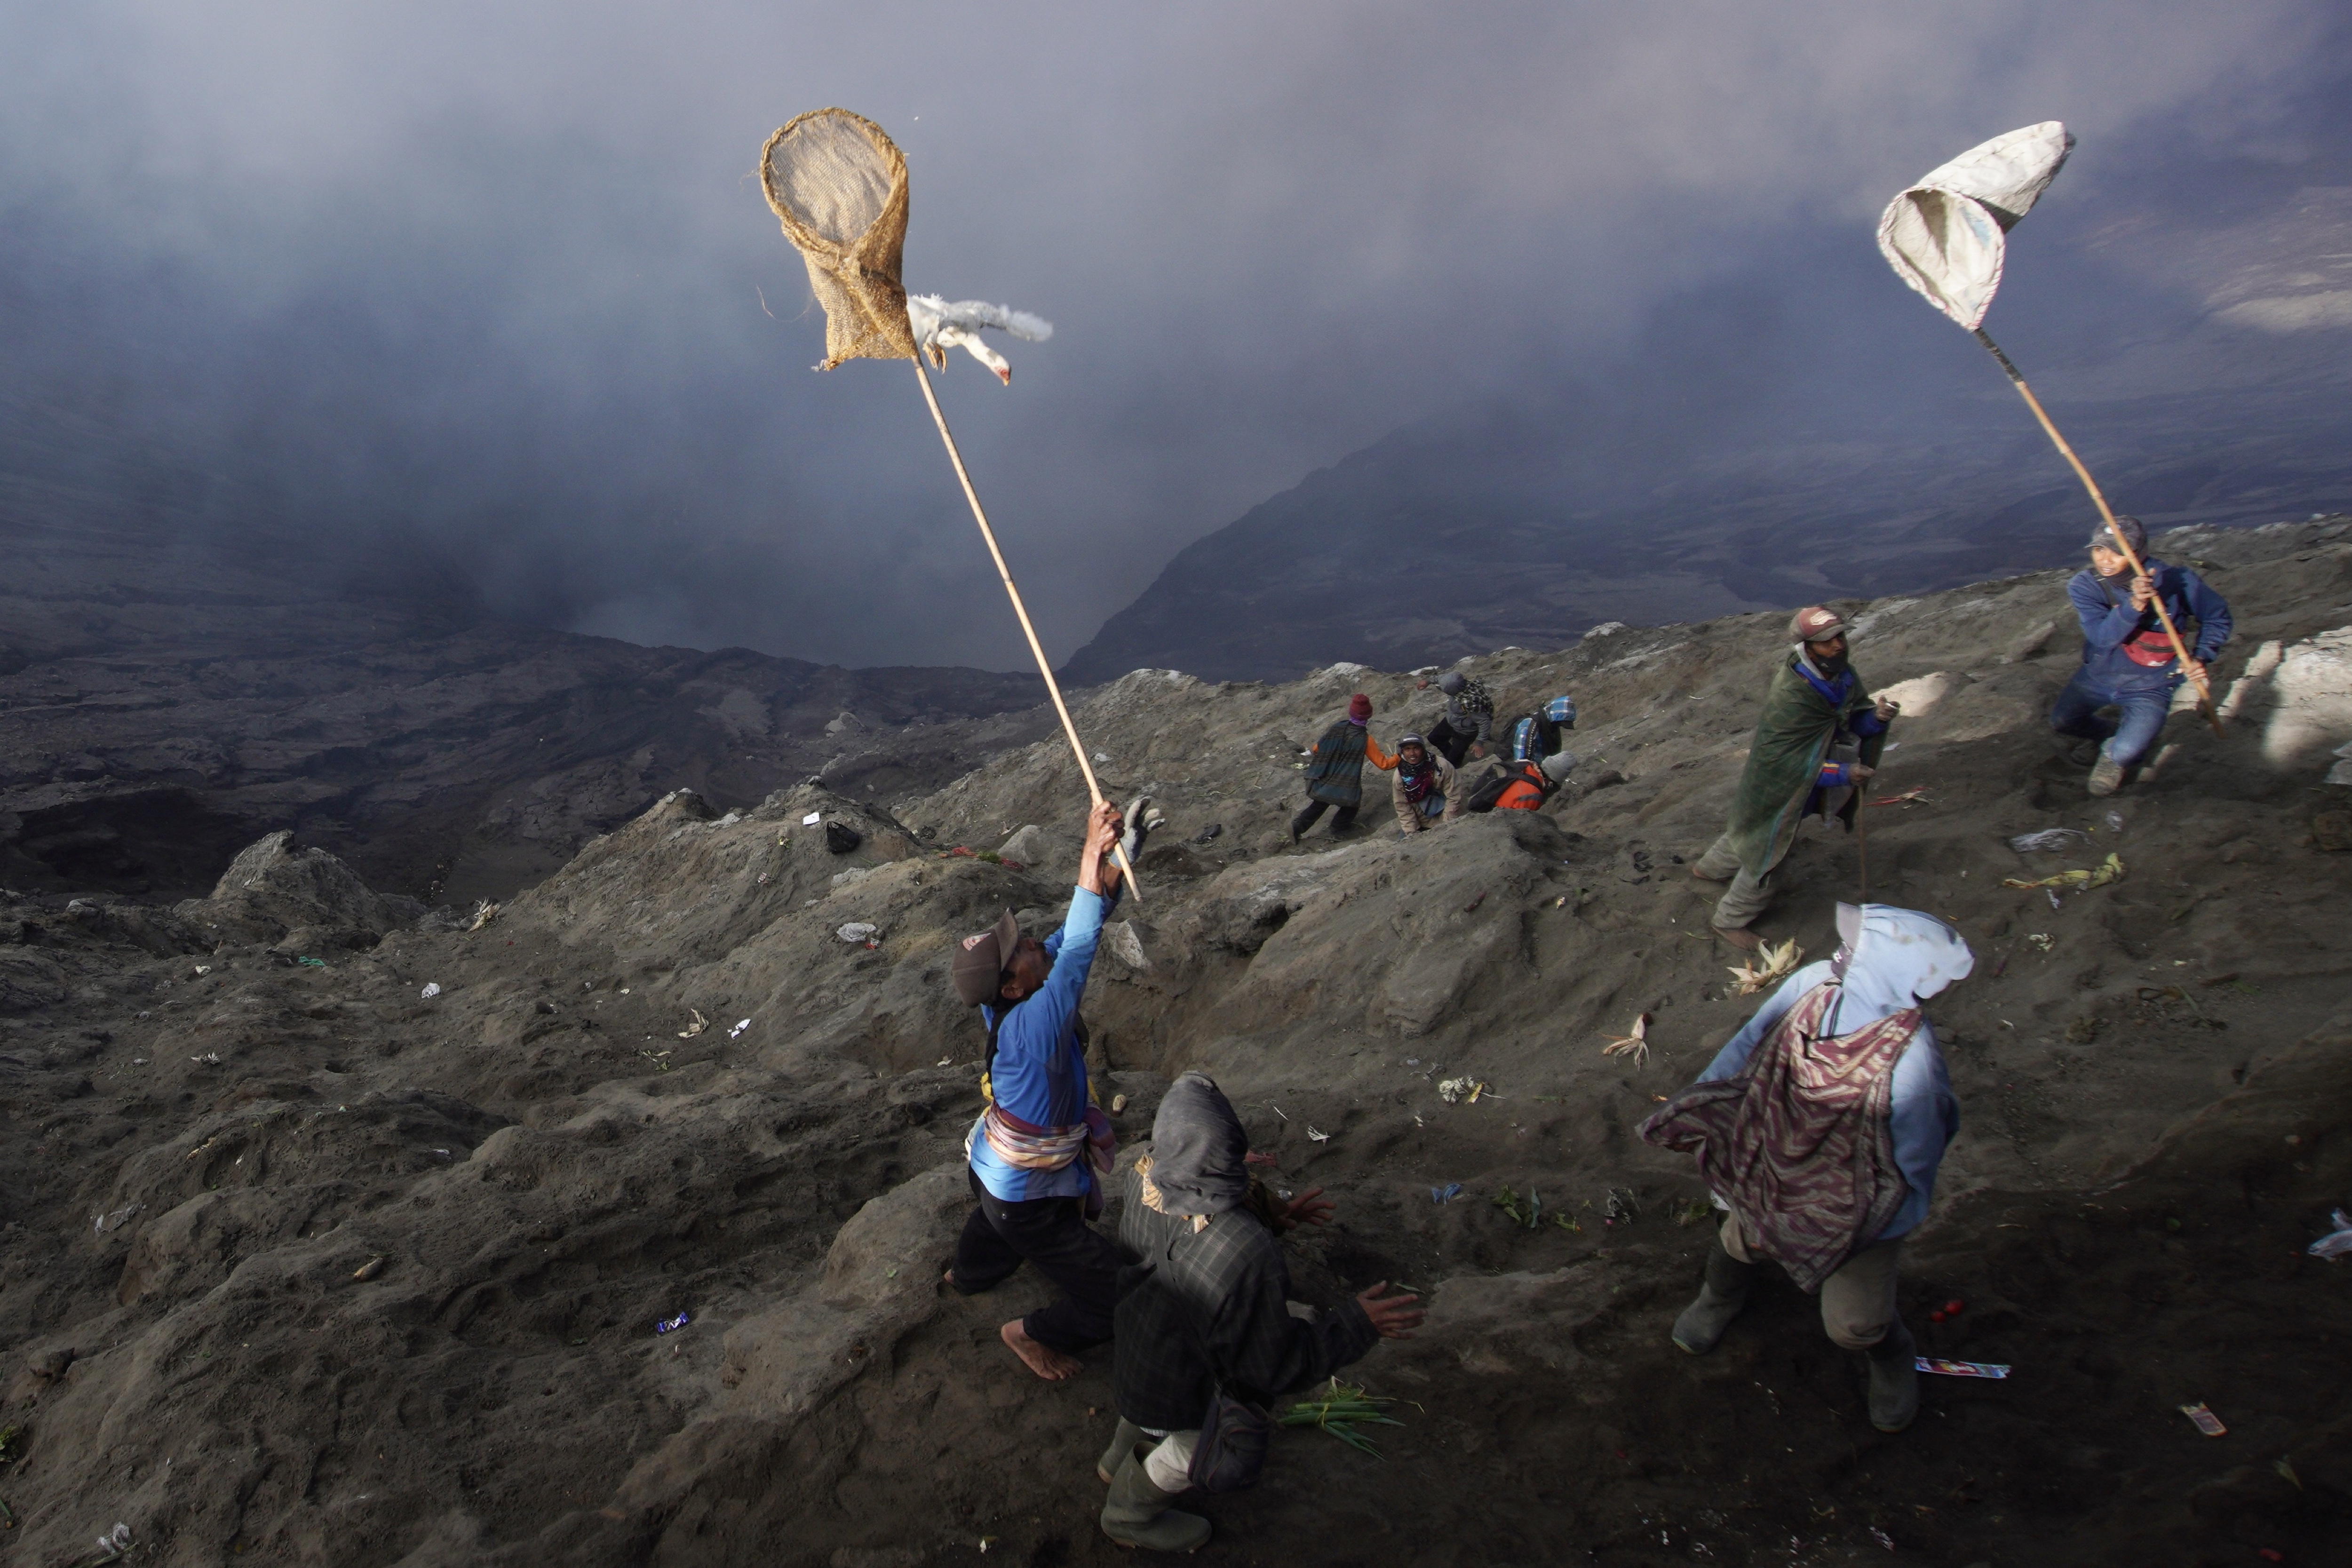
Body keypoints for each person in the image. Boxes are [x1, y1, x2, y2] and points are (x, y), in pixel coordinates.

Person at [1638, 903, 1969, 1435]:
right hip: (1777, 1147)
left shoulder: (1911, 1071)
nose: (1839, 953)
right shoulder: (1816, 981)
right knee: (1742, 1236)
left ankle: (1891, 1357)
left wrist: (1857, 1230)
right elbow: (1749, 1042)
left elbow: (1910, 1170)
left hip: (1856, 1198)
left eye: (1855, 951)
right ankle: (1719, 1296)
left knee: (1854, 1323)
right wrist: (1704, 1102)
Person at [1098, 1073, 1423, 1551]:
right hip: (1186, 1380)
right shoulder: (1246, 1249)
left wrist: (1275, 1216)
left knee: (1150, 1397)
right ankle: (1128, 1515)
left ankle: (1113, 1461)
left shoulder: (1141, 1176)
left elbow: (1182, 1248)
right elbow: (1272, 1364)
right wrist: (1355, 1324)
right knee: (1195, 1445)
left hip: (1138, 1350)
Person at [945, 798, 1135, 1381]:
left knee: (992, 1215)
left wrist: (1115, 864)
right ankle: (1030, 1334)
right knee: (1122, 1295)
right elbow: (1076, 950)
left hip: (995, 1164)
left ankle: (967, 1276)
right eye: (1021, 949)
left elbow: (1070, 934)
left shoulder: (1012, 1001)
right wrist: (1087, 851)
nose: (1033, 943)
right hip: (1026, 1195)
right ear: (1007, 986)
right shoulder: (1036, 1024)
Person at [1690, 606, 1896, 950]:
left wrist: (1875, 717)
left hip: (1810, 778)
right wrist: (1846, 772)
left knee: (1750, 827)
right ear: (1808, 647)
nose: (1838, 646)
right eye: (1827, 642)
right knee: (1770, 851)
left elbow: (1848, 722)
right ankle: (1730, 919)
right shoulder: (1793, 693)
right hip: (1782, 781)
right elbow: (1790, 763)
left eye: (1840, 637)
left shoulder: (1843, 677)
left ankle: (1710, 869)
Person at [2050, 514, 2231, 797]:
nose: (2106, 560)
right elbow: (2102, 637)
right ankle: (2109, 734)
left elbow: (2217, 617)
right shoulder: (2087, 585)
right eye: (2099, 550)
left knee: (2126, 753)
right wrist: (2134, 605)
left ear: (2137, 554)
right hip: (2098, 676)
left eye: (2118, 551)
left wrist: (2201, 657)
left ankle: (2115, 753)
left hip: (2153, 685)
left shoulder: (2177, 581)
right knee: (2063, 722)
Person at [1290, 693, 1395, 842]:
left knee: (1320, 804)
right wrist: (1400, 757)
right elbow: (1384, 764)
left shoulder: (1337, 728)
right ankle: (1338, 828)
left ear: (1351, 712)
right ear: (1369, 716)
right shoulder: (1366, 739)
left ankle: (1298, 826)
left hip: (1325, 780)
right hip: (1346, 785)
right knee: (1352, 805)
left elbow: (1316, 749)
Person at [1389, 732, 1464, 833]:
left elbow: (1454, 796)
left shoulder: (1441, 767)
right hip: (1421, 821)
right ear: (1402, 752)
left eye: (1416, 748)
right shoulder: (1400, 776)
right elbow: (1402, 806)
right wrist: (1412, 833)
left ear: (1423, 749)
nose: (1412, 754)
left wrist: (1447, 826)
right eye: (1408, 749)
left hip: (1446, 815)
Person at [1426, 671, 1494, 768]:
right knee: (1434, 738)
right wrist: (1427, 681)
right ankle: (1452, 755)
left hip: (1464, 733)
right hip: (1451, 722)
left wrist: (1479, 742)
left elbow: (1484, 722)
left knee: (1453, 763)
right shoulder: (1459, 689)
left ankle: (1455, 761)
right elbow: (1440, 680)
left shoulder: (1470, 704)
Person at [1506, 694, 1578, 767]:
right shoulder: (1528, 726)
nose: (1562, 725)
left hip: (1543, 769)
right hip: (1530, 771)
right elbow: (1521, 760)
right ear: (1557, 719)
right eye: (1562, 722)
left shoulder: (1552, 727)